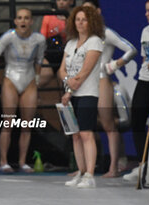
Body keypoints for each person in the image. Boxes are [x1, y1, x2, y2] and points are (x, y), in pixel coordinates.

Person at [0, 8, 46, 173]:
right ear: (15, 21)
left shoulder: (39, 39)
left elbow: (39, 60)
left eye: (26, 18)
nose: (23, 21)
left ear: (31, 21)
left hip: (29, 80)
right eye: (20, 18)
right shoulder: (8, 37)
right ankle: (4, 162)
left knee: (26, 125)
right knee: (8, 123)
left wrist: (38, 78)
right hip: (11, 78)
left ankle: (22, 161)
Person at [82, 0, 137, 178]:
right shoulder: (82, 35)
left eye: (90, 11)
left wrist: (114, 65)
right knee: (84, 126)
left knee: (108, 124)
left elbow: (131, 49)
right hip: (84, 81)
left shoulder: (106, 33)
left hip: (101, 79)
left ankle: (113, 167)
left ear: (98, 11)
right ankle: (83, 167)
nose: (86, 16)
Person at [60, 5, 104, 188]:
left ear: (91, 21)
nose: (80, 23)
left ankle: (90, 175)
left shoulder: (95, 42)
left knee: (86, 133)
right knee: (75, 135)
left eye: (84, 19)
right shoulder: (70, 43)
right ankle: (81, 171)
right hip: (70, 94)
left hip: (87, 93)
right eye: (77, 19)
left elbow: (86, 71)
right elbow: (62, 69)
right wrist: (67, 84)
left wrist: (72, 84)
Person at [123, 0, 149, 182]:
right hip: (144, 80)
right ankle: (143, 164)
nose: (146, 14)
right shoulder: (145, 31)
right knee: (137, 119)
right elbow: (144, 57)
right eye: (146, 11)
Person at [39, 0, 71, 87]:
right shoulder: (48, 16)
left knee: (66, 83)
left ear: (71, 1)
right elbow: (42, 37)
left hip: (68, 56)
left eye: (64, 0)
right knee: (39, 80)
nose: (61, 2)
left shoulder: (74, 18)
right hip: (51, 54)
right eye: (58, 0)